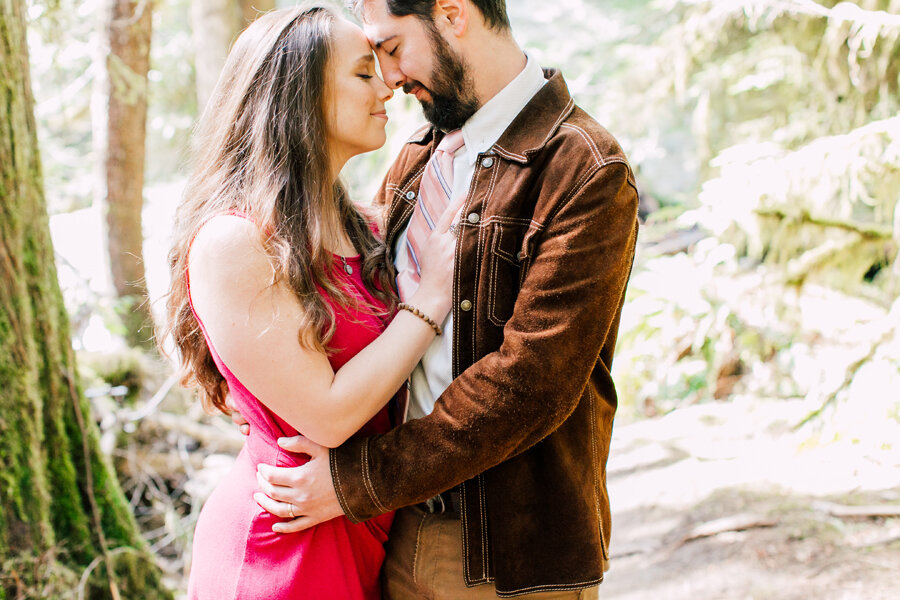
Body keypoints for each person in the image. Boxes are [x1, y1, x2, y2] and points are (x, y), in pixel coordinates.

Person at [249, 0, 640, 597]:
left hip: (510, 556)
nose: (390, 77)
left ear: (453, 14)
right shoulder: (419, 154)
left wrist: (358, 481)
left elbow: (529, 386)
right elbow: (363, 305)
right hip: (394, 530)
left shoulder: (583, 168)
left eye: (393, 47)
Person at [162, 5, 463, 599]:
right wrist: (429, 300)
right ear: (298, 98)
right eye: (362, 73)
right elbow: (325, 414)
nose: (388, 87)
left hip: (363, 528)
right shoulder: (236, 242)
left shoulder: (366, 229)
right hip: (287, 548)